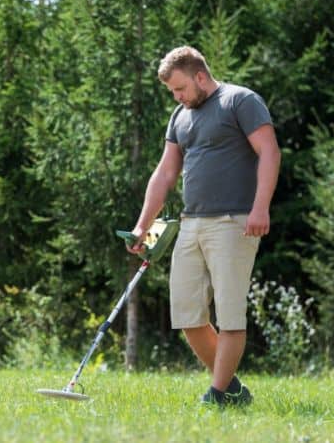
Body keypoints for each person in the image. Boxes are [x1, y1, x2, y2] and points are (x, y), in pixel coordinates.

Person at [127, 46, 280, 406]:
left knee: (229, 315)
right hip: (190, 223)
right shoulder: (180, 115)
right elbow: (165, 174)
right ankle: (233, 390)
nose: (177, 97)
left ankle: (216, 395)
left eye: (180, 88)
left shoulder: (240, 101)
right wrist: (141, 227)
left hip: (234, 222)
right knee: (186, 314)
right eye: (172, 92)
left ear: (199, 75)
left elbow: (270, 152)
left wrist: (261, 208)